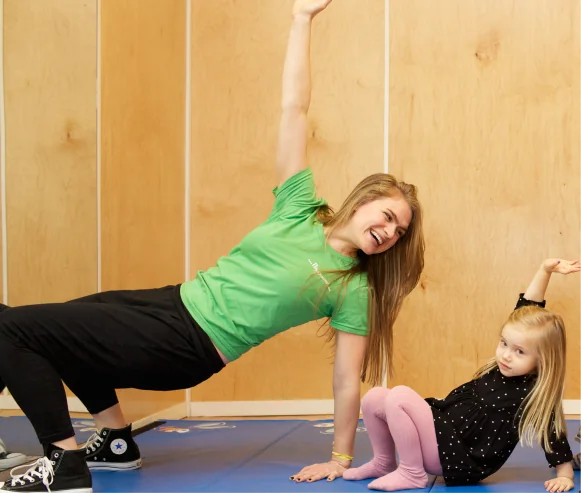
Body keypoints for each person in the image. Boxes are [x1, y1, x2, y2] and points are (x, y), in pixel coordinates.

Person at [0, 0, 425, 491]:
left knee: (15, 328)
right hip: (171, 302)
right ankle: (117, 440)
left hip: (191, 344)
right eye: (389, 216)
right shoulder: (299, 208)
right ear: (366, 199)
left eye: (399, 233)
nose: (390, 233)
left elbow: (347, 381)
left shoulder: (352, 288)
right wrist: (301, 20)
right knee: (43, 326)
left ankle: (64, 463)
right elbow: (295, 108)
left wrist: (340, 457)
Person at [343, 258, 579, 492]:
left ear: (543, 359)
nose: (506, 355)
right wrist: (544, 270)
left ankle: (412, 473)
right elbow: (526, 309)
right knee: (375, 397)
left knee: (400, 397)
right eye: (504, 343)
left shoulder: (532, 393)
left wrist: (566, 475)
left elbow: (554, 435)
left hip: (460, 458)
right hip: (443, 433)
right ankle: (384, 463)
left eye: (519, 351)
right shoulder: (506, 365)